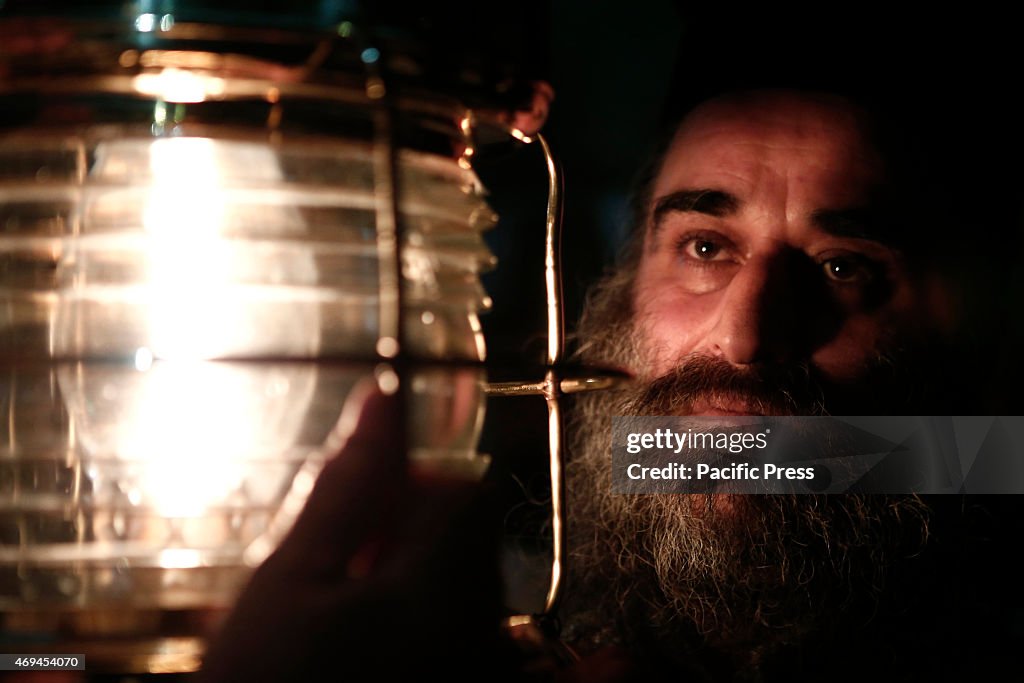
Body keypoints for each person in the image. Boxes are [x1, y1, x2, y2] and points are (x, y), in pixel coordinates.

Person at [198, 88, 1023, 682]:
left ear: (976, 334)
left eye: (843, 267)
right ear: (623, 289)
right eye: (705, 247)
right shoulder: (490, 599)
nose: (744, 337)